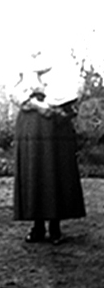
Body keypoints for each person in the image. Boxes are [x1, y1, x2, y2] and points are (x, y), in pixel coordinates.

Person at [12, 50, 86, 244]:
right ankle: (37, 226)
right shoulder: (21, 60)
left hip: (56, 121)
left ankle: (55, 226)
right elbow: (12, 89)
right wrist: (35, 104)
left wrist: (53, 101)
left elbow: (74, 87)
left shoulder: (63, 58)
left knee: (55, 170)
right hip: (31, 120)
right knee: (34, 169)